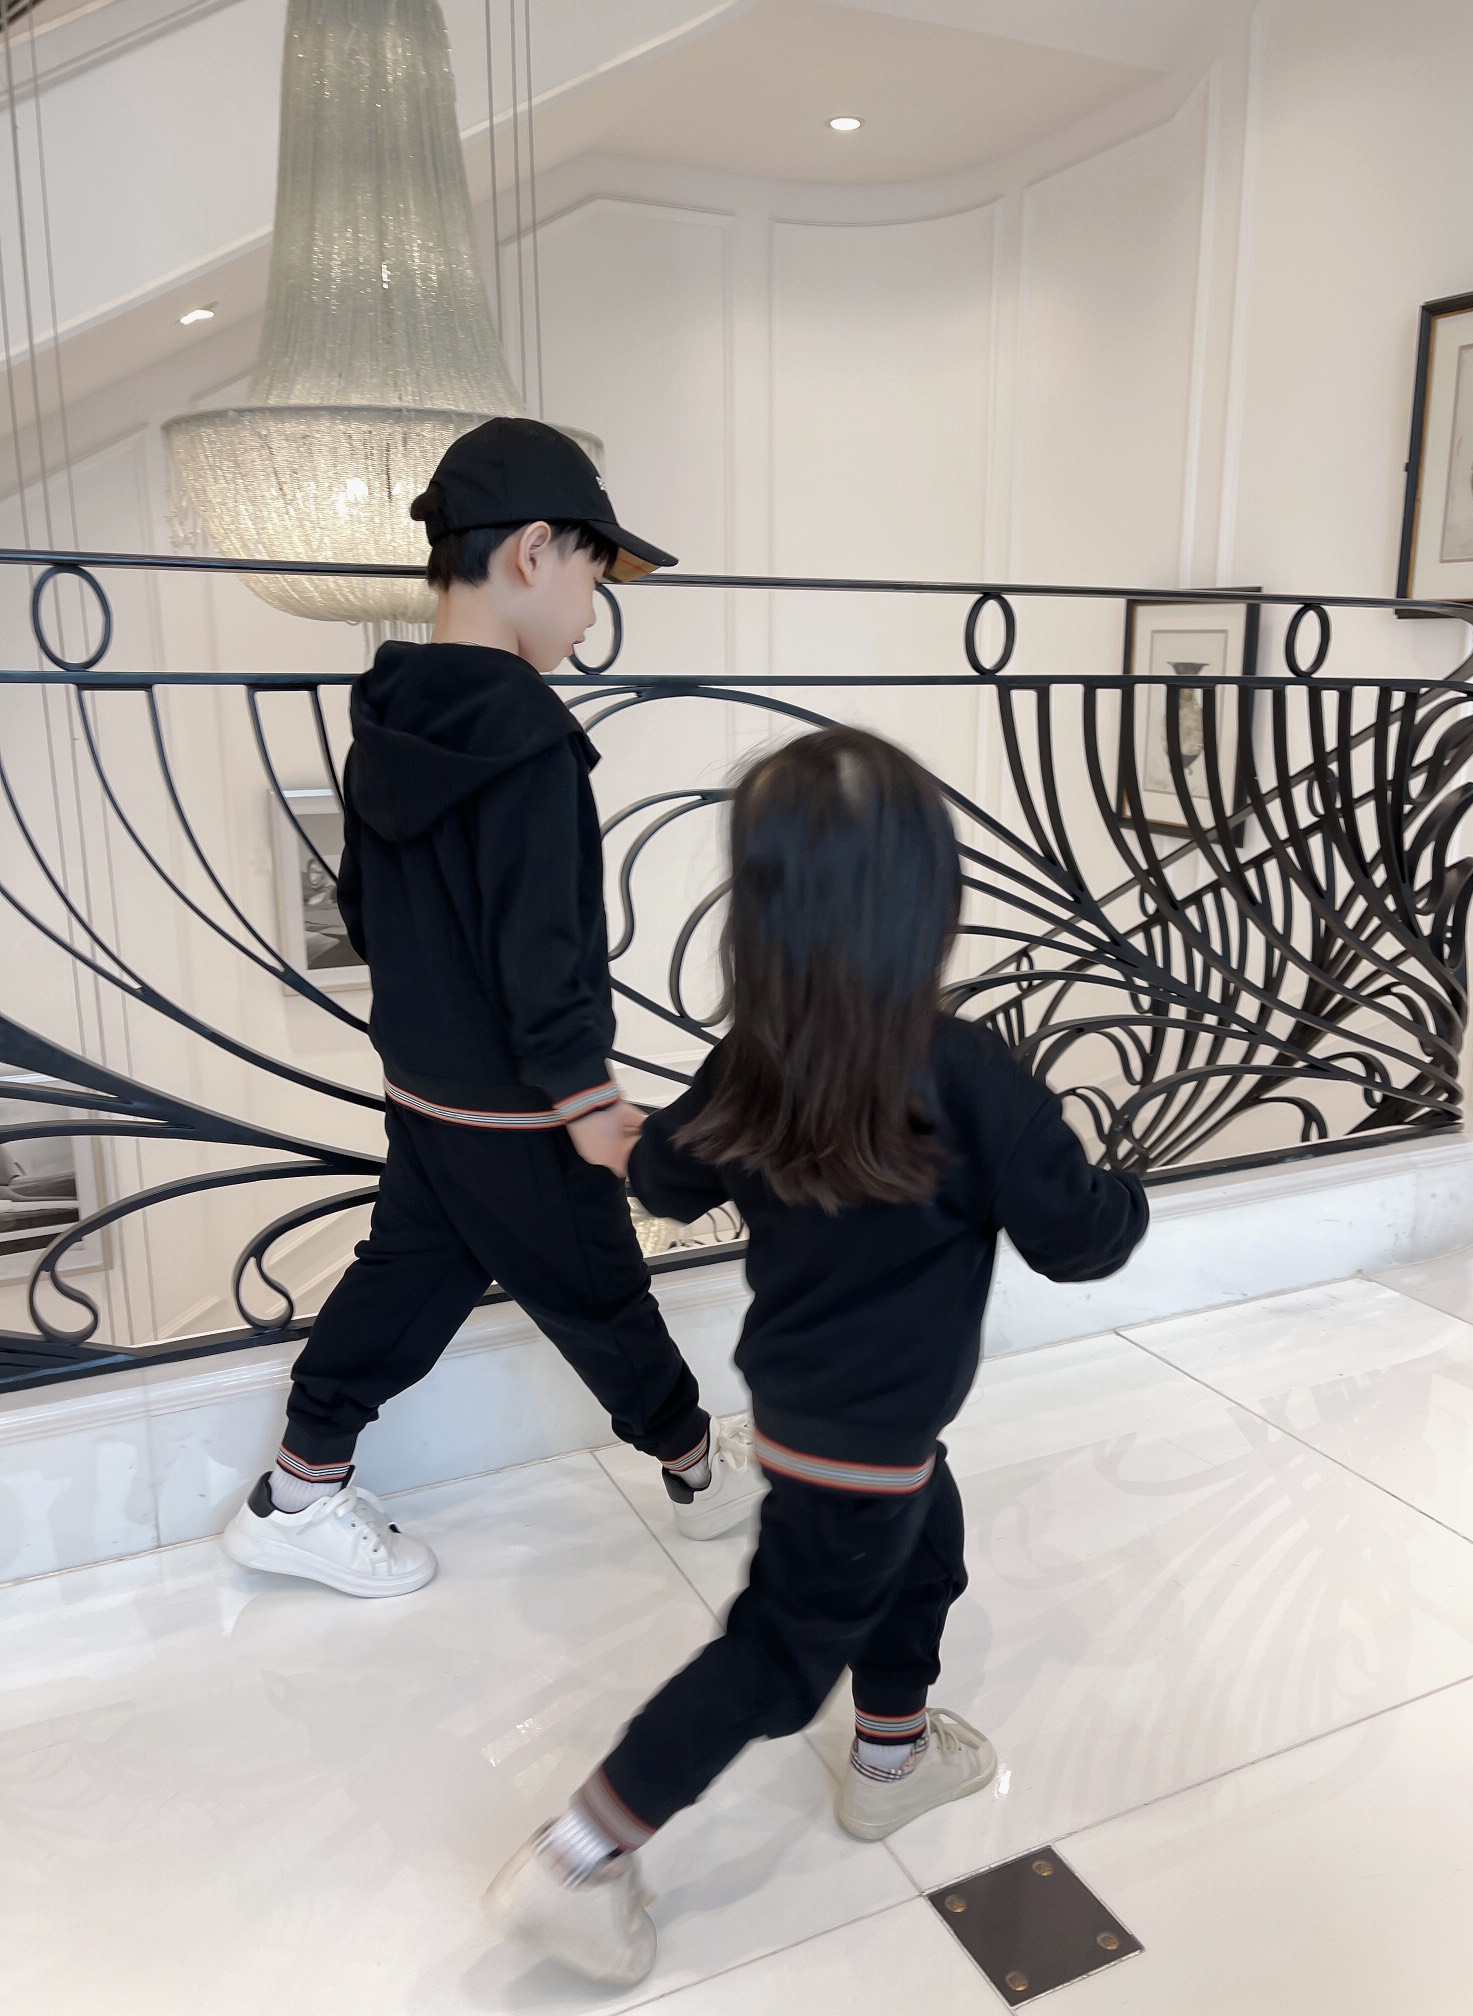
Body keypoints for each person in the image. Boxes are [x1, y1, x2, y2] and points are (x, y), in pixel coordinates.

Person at [484, 727, 1151, 1987]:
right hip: (870, 1437)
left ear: (761, 910)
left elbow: (668, 1179)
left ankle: (889, 1760)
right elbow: (1079, 1241)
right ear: (929, 899)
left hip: (812, 1411)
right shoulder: (972, 1073)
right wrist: (1124, 1194)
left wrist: (623, 1134)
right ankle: (581, 1858)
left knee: (926, 1544)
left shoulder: (758, 1062)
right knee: (778, 1659)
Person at [223, 418, 761, 1598]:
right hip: (520, 1100)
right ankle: (697, 1471)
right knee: (599, 1290)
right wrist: (586, 1099)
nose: (591, 612)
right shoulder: (528, 740)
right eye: (593, 577)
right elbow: (542, 945)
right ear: (532, 550)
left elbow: (362, 908)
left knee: (411, 1273)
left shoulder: (390, 711)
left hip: (426, 1080)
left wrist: (435, 1020)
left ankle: (299, 1493)